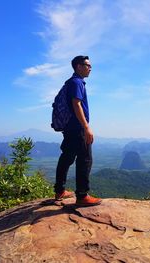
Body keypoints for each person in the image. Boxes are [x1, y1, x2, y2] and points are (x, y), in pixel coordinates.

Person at [54, 55, 102, 206]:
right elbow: (76, 104)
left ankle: (60, 190)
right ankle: (82, 196)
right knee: (85, 159)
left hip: (69, 128)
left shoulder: (71, 82)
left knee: (66, 158)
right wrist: (86, 127)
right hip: (77, 128)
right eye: (88, 65)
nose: (90, 68)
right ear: (78, 66)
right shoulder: (76, 82)